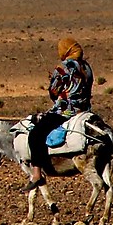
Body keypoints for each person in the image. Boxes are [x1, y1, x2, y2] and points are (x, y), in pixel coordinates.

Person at [27, 38, 92, 178]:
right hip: (85, 110)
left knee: (35, 135)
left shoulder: (63, 67)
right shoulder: (86, 67)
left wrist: (53, 82)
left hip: (66, 111)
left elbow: (54, 92)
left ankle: (37, 174)